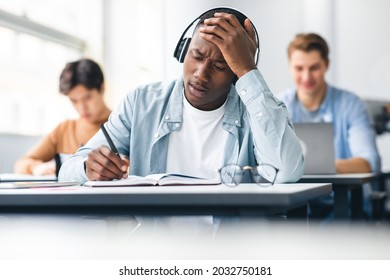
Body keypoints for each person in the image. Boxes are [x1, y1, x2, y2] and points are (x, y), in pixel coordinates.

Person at [59, 8, 304, 186]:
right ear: (182, 50)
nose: (201, 74)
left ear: (235, 74)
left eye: (220, 67)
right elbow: (68, 170)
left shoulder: (259, 111)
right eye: (196, 56)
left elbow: (286, 172)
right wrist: (87, 167)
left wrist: (248, 72)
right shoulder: (141, 103)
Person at [278, 33, 381, 218]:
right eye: (299, 68)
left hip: (344, 205)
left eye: (314, 67)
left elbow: (369, 162)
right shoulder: (279, 105)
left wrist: (324, 166)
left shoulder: (351, 104)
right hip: (297, 205)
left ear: (326, 65)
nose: (306, 76)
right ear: (289, 68)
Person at [14, 58, 111, 176]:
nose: (82, 108)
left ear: (102, 88)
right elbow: (21, 163)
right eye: (74, 100)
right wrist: (36, 167)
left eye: (87, 98)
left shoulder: (122, 126)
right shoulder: (64, 129)